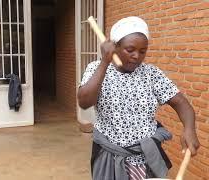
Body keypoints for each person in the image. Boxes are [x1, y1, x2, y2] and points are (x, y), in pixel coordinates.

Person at [77, 16, 200, 180]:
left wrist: (189, 129)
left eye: (143, 51)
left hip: (146, 159)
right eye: (130, 50)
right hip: (110, 158)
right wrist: (104, 63)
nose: (137, 56)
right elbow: (84, 102)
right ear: (115, 47)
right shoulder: (96, 69)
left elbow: (181, 102)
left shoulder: (151, 74)